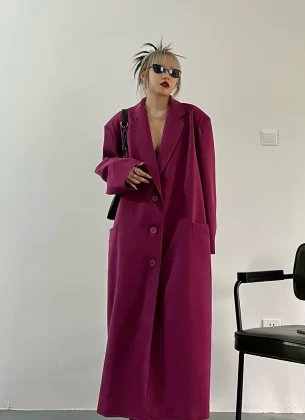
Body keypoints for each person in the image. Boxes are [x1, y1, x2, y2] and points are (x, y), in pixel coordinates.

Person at [94, 41, 217, 420]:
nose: (169, 76)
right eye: (161, 69)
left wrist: (206, 238)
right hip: (133, 233)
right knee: (132, 318)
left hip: (184, 233)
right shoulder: (121, 122)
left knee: (184, 325)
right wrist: (122, 169)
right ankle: (136, 407)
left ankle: (181, 409)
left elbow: (208, 180)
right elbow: (105, 163)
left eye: (175, 72)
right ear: (143, 74)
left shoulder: (196, 121)